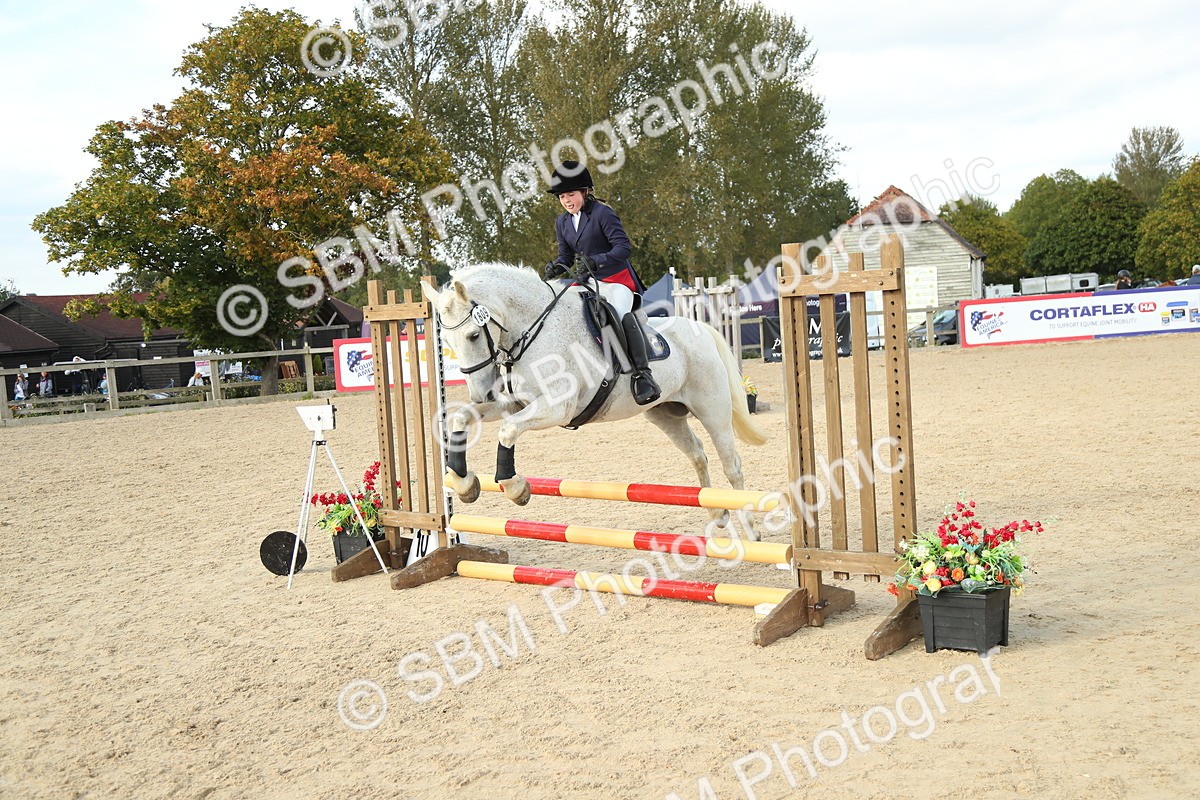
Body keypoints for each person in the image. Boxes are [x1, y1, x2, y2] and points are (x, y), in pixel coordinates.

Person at [543, 160, 660, 405]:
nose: (566, 201)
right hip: (588, 281)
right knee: (562, 309)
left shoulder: (602, 213)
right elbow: (566, 256)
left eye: (571, 194)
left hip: (617, 279)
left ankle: (642, 375)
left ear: (584, 191)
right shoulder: (562, 222)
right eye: (562, 197)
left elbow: (623, 248)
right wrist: (556, 266)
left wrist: (596, 261)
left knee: (619, 313)